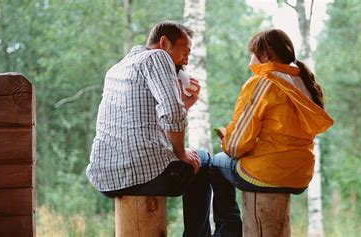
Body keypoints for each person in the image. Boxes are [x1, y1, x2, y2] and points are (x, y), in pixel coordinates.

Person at [85, 21, 212, 237]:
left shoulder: (116, 68)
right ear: (164, 43)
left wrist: (185, 105)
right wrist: (181, 153)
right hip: (146, 176)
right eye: (184, 50)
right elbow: (172, 112)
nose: (186, 59)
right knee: (205, 160)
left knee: (189, 159)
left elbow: (147, 127)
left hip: (105, 179)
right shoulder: (158, 56)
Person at [210, 29, 334, 236]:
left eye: (253, 53)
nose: (250, 60)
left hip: (267, 173)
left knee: (215, 163)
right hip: (300, 174)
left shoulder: (263, 82)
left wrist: (226, 141)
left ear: (266, 55)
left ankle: (227, 232)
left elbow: (237, 145)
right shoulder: (302, 83)